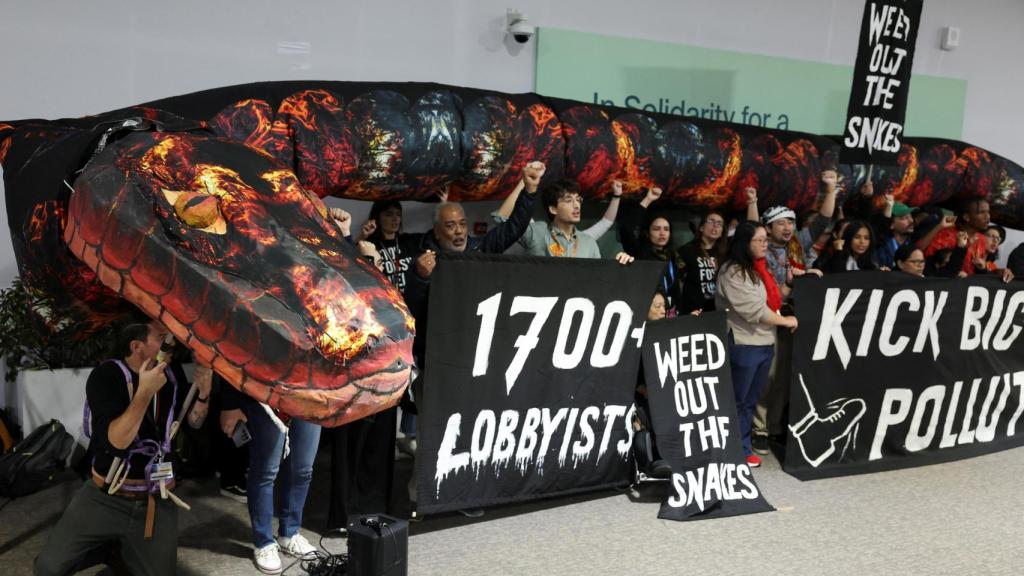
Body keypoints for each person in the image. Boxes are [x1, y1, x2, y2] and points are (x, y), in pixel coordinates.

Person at [34, 318, 212, 576]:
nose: (171, 343)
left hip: (156, 497)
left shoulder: (171, 375)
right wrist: (143, 393)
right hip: (106, 494)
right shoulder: (107, 376)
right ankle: (110, 546)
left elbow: (193, 423)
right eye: (162, 338)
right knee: (47, 569)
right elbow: (117, 443)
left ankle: (123, 550)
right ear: (137, 346)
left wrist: (204, 395)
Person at [715, 221, 798, 468]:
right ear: (745, 243)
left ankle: (743, 444)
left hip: (763, 341)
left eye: (765, 240)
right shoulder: (732, 271)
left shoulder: (757, 268)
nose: (765, 244)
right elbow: (755, 310)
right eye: (760, 240)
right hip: (743, 343)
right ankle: (736, 449)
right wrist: (785, 320)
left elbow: (772, 301)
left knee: (750, 400)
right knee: (738, 400)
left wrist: (789, 284)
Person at [220, 383, 321, 573]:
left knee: (303, 468)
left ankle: (290, 533)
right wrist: (230, 403)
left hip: (310, 389)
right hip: (265, 388)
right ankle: (263, 542)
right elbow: (233, 353)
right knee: (266, 470)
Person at [618, 187, 687, 313]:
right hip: (646, 313)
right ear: (647, 233)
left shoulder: (673, 255)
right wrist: (648, 199)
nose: (662, 233)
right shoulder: (639, 252)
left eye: (666, 229)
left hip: (671, 314)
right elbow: (626, 229)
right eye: (656, 229)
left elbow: (676, 290)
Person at [921, 199, 990, 276]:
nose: (987, 216)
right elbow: (929, 264)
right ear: (966, 217)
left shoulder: (982, 239)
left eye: (988, 212)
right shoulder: (946, 235)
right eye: (981, 212)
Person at [814, 220, 881, 273]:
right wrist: (838, 252)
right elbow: (837, 276)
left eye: (866, 238)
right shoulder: (832, 254)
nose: (862, 242)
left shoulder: (871, 262)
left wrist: (881, 273)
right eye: (857, 237)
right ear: (849, 237)